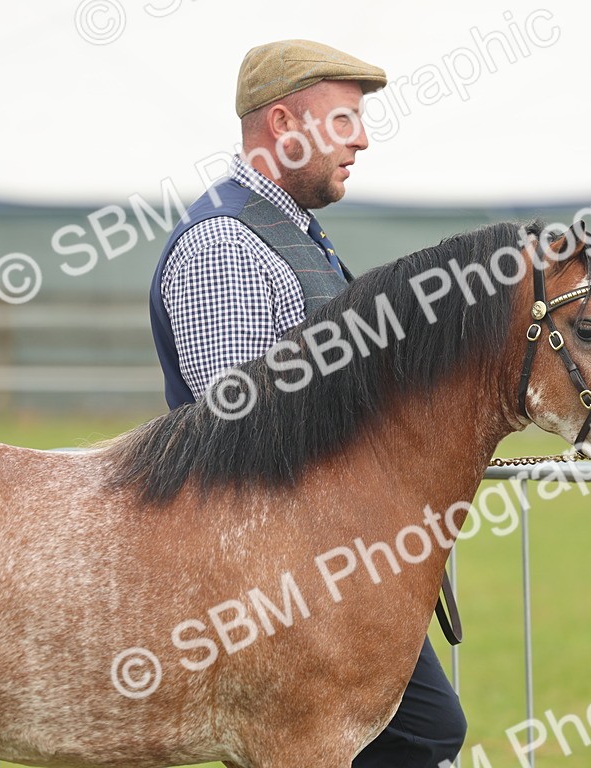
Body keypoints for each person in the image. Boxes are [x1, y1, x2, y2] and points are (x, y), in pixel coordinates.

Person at [148, 39, 466, 767]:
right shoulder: (225, 243)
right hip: (273, 572)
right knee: (420, 737)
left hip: (320, 557)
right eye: (346, 118)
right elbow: (234, 419)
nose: (362, 137)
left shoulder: (289, 232)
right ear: (285, 125)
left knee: (422, 735)